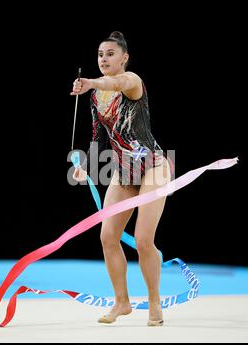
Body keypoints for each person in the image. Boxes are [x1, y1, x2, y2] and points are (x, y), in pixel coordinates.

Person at [71, 31, 172, 326]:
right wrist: (87, 166)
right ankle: (122, 302)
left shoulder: (131, 81)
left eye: (110, 54)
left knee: (142, 240)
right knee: (108, 237)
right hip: (125, 170)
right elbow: (99, 136)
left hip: (153, 166)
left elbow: (113, 83)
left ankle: (154, 302)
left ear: (124, 58)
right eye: (101, 55)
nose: (104, 59)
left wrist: (91, 81)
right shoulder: (96, 96)